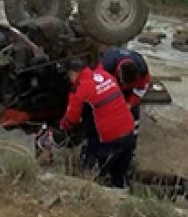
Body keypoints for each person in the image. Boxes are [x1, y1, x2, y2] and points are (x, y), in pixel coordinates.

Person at [59, 58, 138, 189]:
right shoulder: (106, 75)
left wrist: (61, 126)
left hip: (109, 138)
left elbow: (71, 119)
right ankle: (121, 189)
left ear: (73, 73)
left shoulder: (80, 90)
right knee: (120, 175)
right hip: (129, 131)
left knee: (99, 177)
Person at [100, 47, 151, 130]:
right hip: (109, 85)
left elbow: (140, 90)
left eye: (129, 84)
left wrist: (130, 104)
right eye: (124, 83)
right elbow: (97, 89)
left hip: (129, 90)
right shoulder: (106, 66)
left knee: (133, 111)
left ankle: (133, 132)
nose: (125, 86)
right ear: (119, 73)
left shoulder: (142, 69)